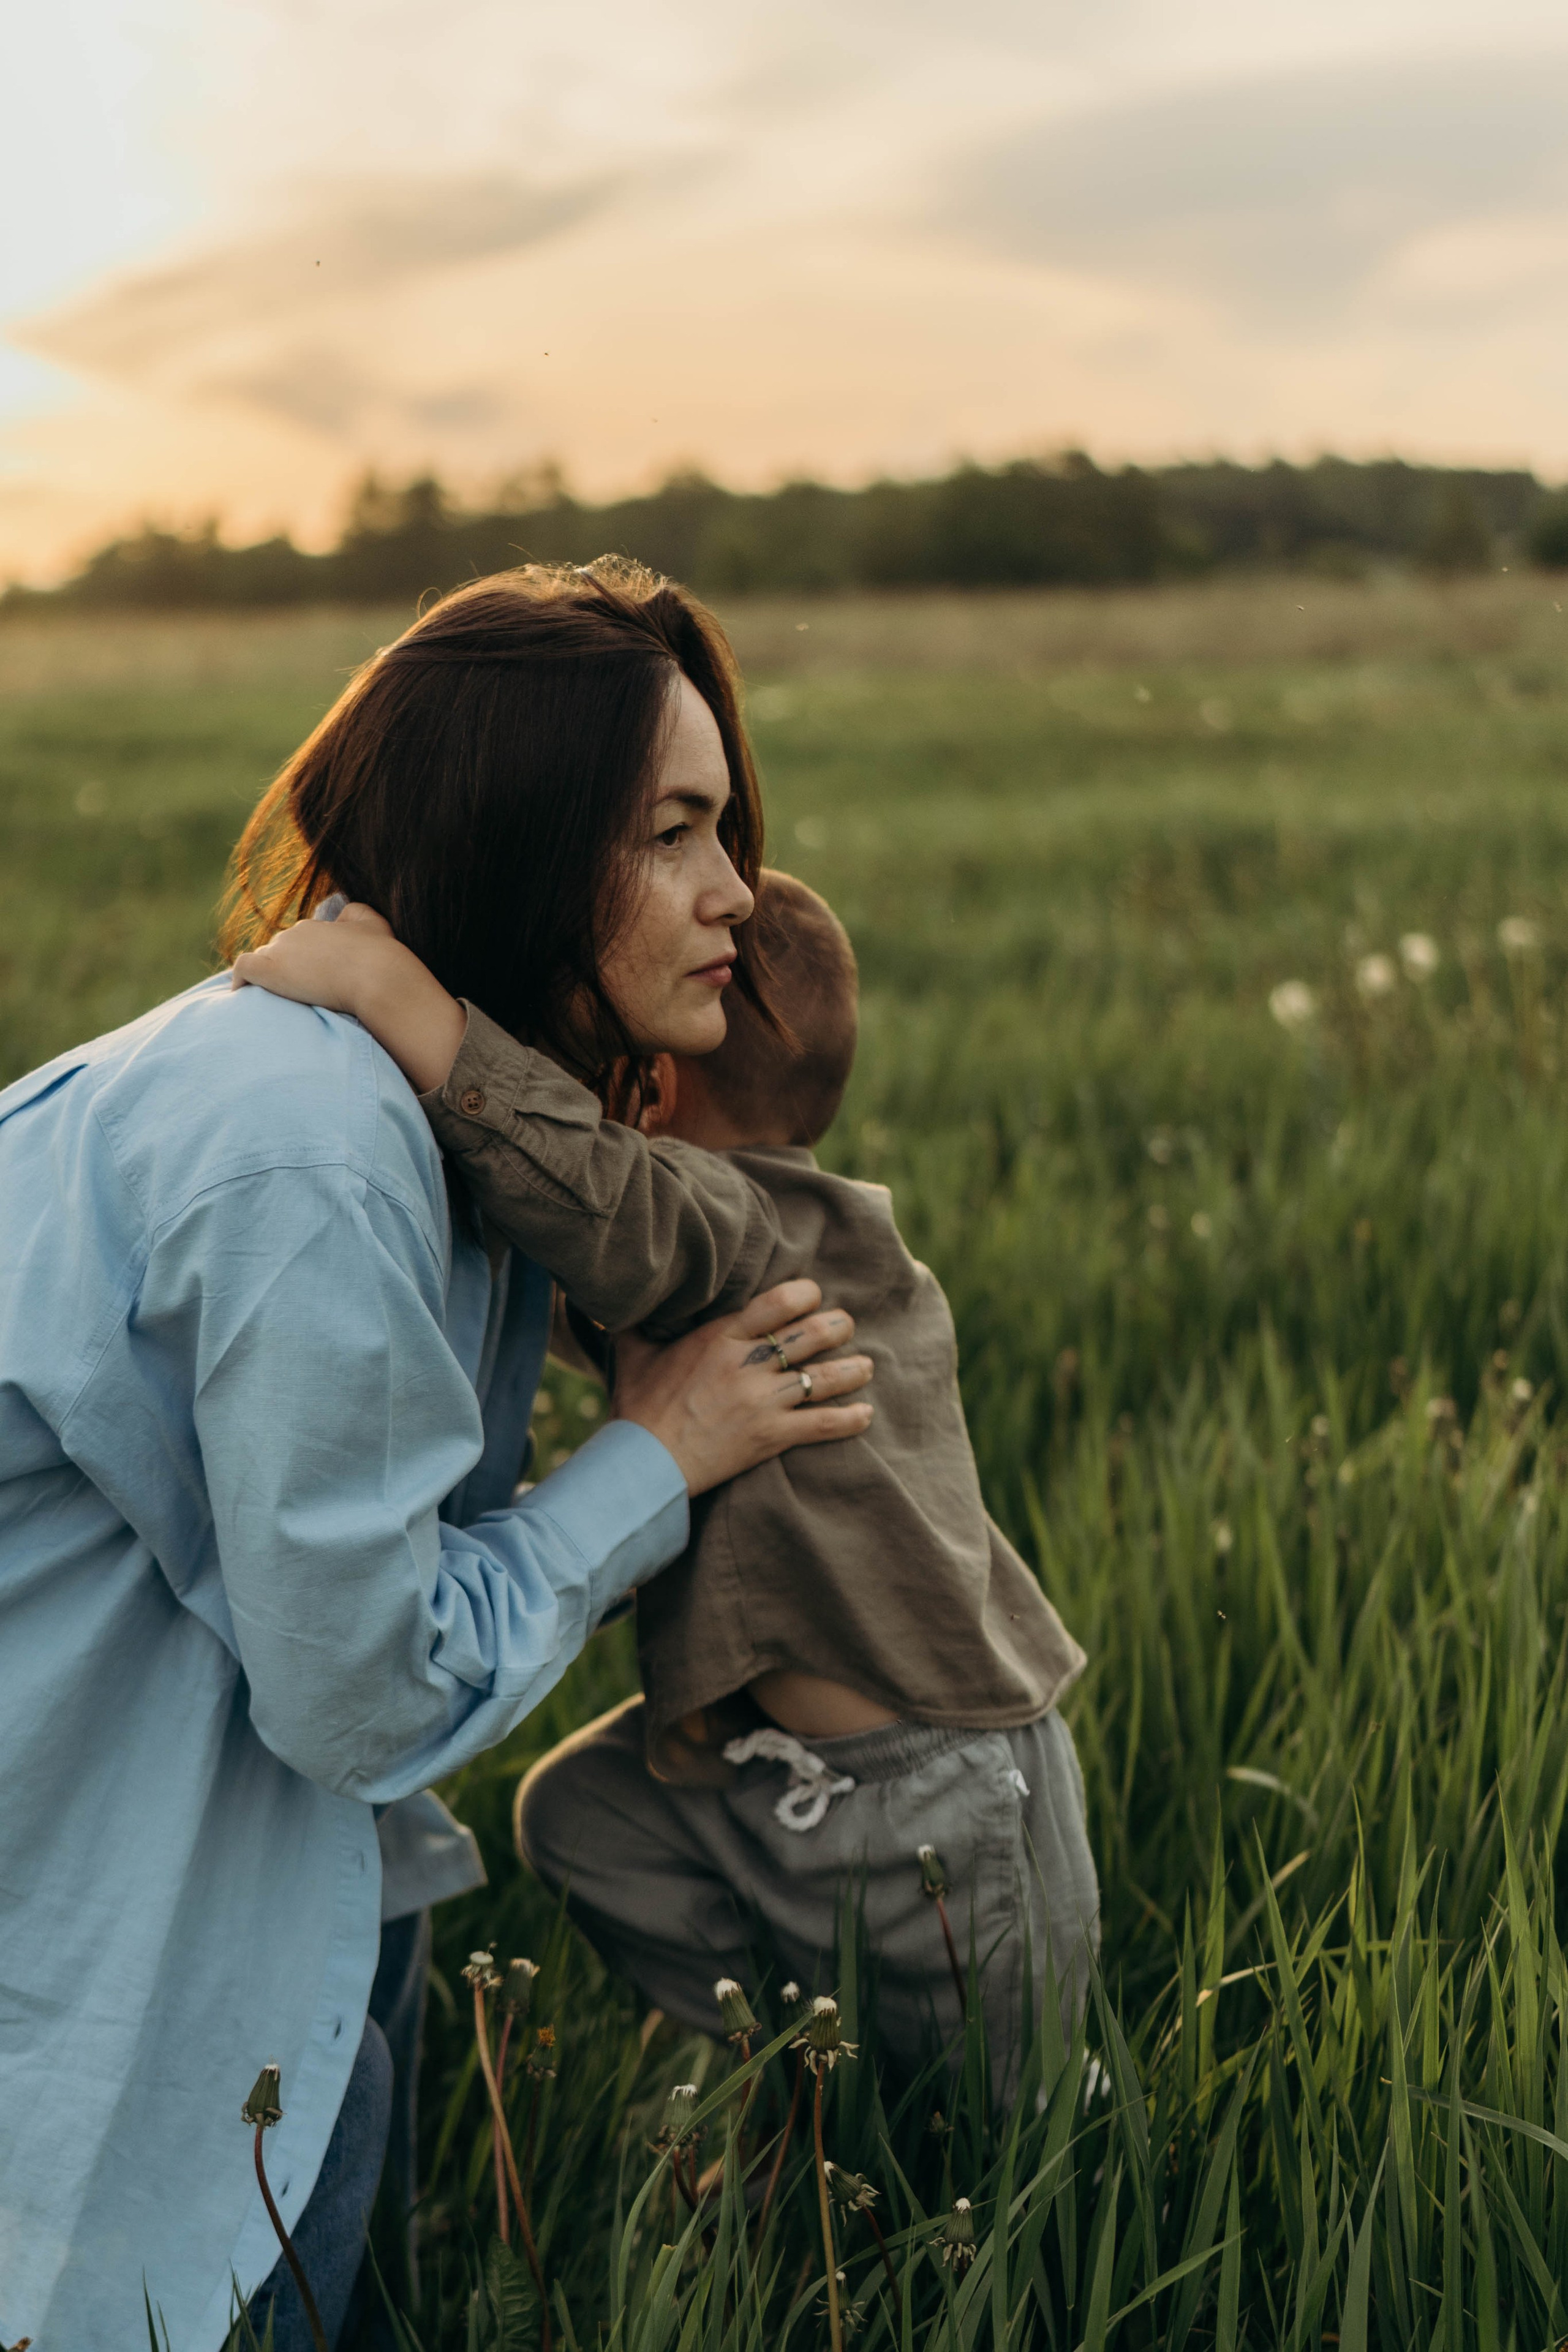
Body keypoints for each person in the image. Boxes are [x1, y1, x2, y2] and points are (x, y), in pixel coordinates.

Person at [0, 562, 874, 2352]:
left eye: (725, 828)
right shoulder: (308, 1155)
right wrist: (656, 1457)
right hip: (116, 1988)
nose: (736, 889)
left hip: (263, 1915)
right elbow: (367, 1694)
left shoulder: (403, 1115)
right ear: (518, 847)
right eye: (673, 835)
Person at [234, 868, 1098, 2089]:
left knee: (1012, 2127)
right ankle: (802, 2085)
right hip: (773, 1779)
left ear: (653, 1089)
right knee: (579, 1815)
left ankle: (945, 2136)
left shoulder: (751, 1225)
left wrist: (396, 999)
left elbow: (598, 1205)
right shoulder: (723, 1262)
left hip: (935, 1799)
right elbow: (574, 1276)